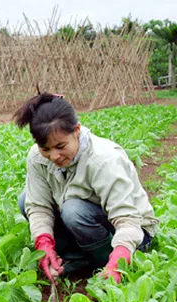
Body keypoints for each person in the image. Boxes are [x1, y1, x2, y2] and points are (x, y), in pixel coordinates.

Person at [14, 92, 158, 284]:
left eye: (60, 146)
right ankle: (80, 256)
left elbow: (128, 220)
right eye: (46, 149)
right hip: (87, 224)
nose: (54, 156)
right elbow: (39, 207)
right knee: (26, 199)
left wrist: (119, 260)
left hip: (134, 234)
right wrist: (44, 244)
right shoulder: (37, 157)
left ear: (77, 130)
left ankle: (103, 261)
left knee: (74, 210)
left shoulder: (104, 159)